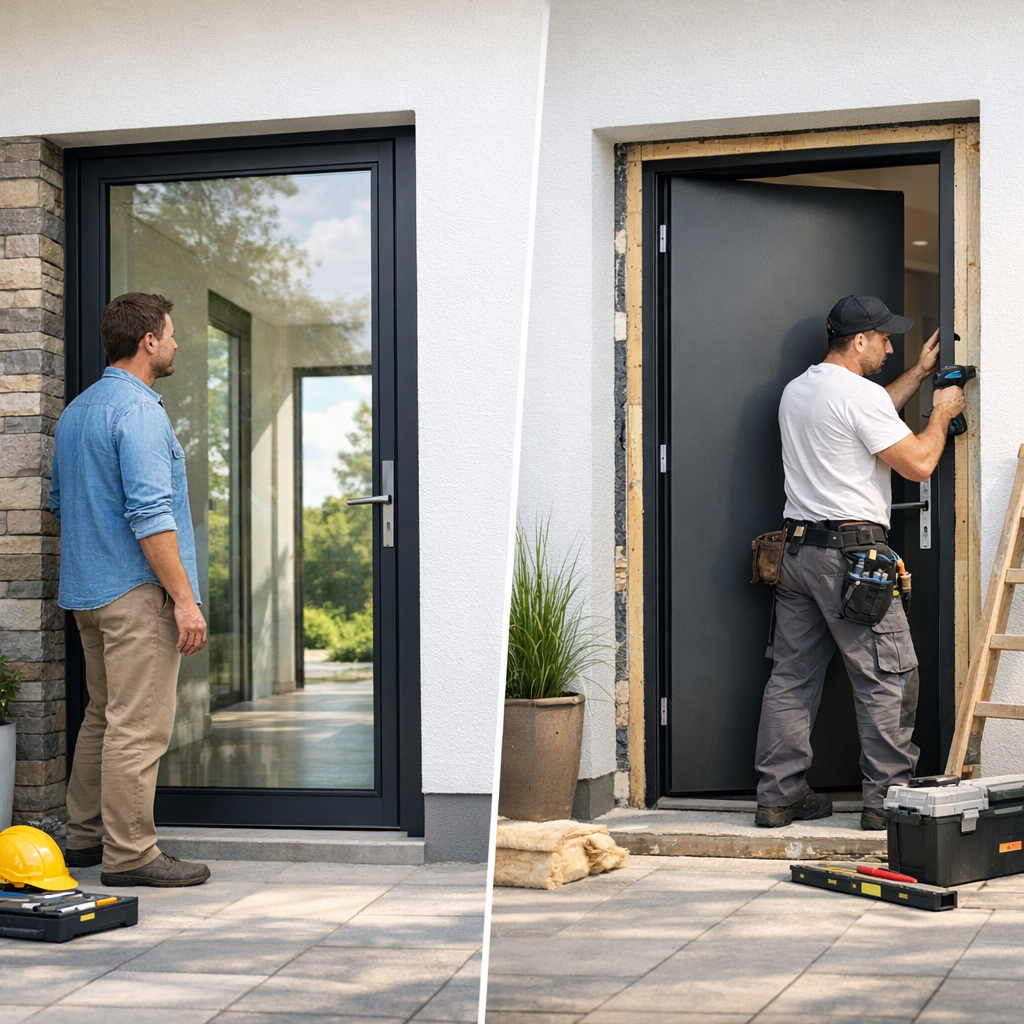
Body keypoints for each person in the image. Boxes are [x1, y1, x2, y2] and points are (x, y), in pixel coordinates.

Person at [753, 294, 965, 831]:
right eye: (886, 338)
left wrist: (917, 375)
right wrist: (940, 414)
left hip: (796, 554)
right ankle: (887, 800)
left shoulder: (799, 390)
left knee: (791, 679)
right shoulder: (860, 396)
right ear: (860, 340)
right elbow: (917, 463)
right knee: (890, 676)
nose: (892, 348)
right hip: (851, 559)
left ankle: (779, 797)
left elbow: (862, 422)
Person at [51, 292, 211, 886]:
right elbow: (151, 514)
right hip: (137, 594)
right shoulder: (140, 412)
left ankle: (87, 839)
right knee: (138, 725)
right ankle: (132, 855)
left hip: (88, 595)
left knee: (104, 716)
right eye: (170, 334)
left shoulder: (77, 412)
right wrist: (185, 600)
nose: (175, 343)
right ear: (148, 342)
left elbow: (60, 504)